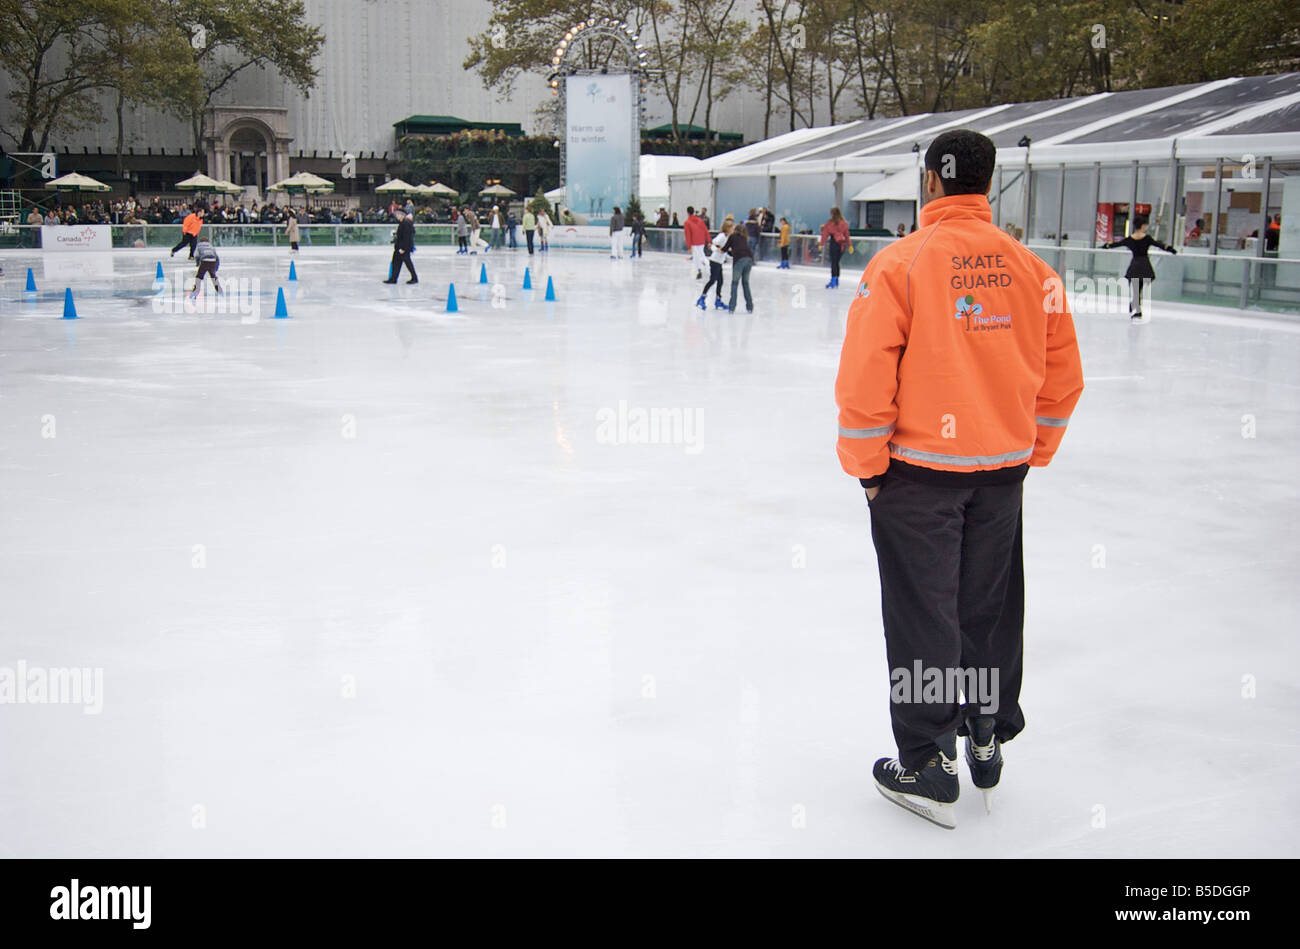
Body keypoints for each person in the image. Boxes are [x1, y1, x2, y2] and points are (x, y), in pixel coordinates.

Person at [835, 128, 1084, 829]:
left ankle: (927, 762)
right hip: (999, 476)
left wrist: (869, 473)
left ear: (932, 183)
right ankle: (984, 729)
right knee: (986, 608)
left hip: (919, 477)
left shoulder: (899, 265)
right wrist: (1026, 452)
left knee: (926, 613)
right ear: (986, 182)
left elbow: (864, 382)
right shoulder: (1034, 272)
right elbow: (1064, 381)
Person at [1101, 215, 1176, 321]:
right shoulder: (1147, 239)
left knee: (1136, 288)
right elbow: (1159, 245)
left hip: (1136, 264)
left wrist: (1106, 246)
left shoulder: (1130, 239)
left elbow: (1116, 244)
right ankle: (1136, 308)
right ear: (1143, 226)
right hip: (1144, 264)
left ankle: (1135, 305)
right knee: (1138, 288)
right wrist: (1170, 249)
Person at [697, 219, 732, 310]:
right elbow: (711, 245)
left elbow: (727, 251)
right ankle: (702, 298)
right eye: (732, 228)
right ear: (727, 228)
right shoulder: (722, 236)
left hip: (719, 262)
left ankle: (718, 300)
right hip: (714, 261)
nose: (733, 230)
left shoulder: (728, 238)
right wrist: (717, 249)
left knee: (720, 281)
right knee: (713, 280)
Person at [721, 219, 754, 312]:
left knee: (735, 283)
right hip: (749, 259)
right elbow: (736, 251)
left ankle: (732, 307)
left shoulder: (732, 236)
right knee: (746, 283)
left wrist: (716, 248)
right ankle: (750, 307)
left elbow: (724, 249)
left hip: (739, 260)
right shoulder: (744, 238)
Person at [383, 208, 417, 284]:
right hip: (399, 247)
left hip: (403, 248)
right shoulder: (403, 223)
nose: (397, 216)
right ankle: (393, 278)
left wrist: (403, 248)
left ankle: (414, 278)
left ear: (402, 215)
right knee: (396, 262)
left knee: (407, 263)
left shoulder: (406, 223)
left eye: (398, 214)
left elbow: (407, 237)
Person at [819, 206, 851, 288]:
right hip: (842, 245)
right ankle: (836, 280)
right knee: (836, 262)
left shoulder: (830, 223)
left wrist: (821, 244)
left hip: (834, 244)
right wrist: (850, 245)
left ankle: (833, 280)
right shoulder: (843, 223)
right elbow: (847, 235)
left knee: (833, 262)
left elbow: (825, 234)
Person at [683, 206, 709, 279]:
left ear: (687, 212)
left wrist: (689, 246)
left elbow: (688, 235)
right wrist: (708, 240)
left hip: (694, 243)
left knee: (698, 257)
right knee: (699, 256)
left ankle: (704, 269)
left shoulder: (687, 222)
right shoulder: (700, 220)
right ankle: (700, 270)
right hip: (701, 241)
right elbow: (705, 230)